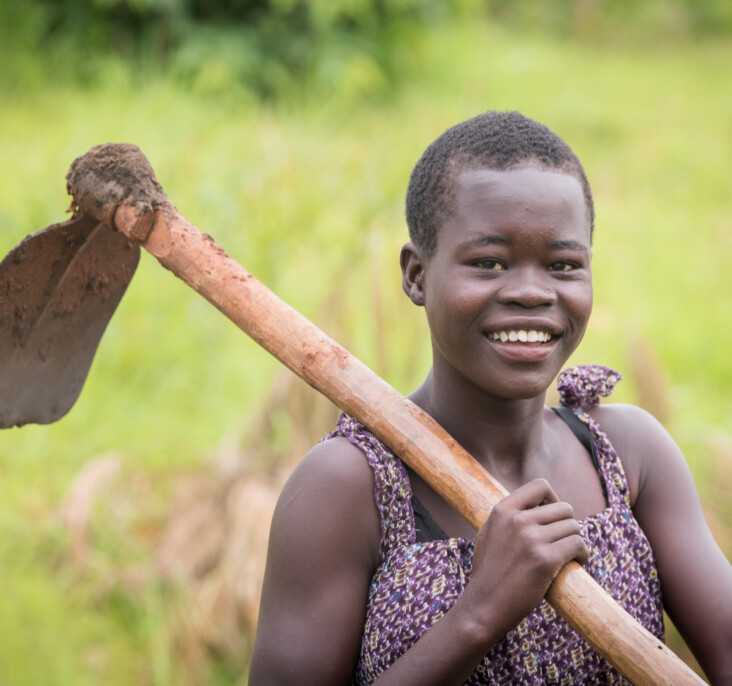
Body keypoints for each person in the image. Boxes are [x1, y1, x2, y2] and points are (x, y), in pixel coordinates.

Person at [249, 111, 732, 685]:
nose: (531, 291)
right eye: (488, 263)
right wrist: (479, 614)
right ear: (416, 275)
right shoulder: (345, 488)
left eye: (563, 265)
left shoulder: (627, 455)